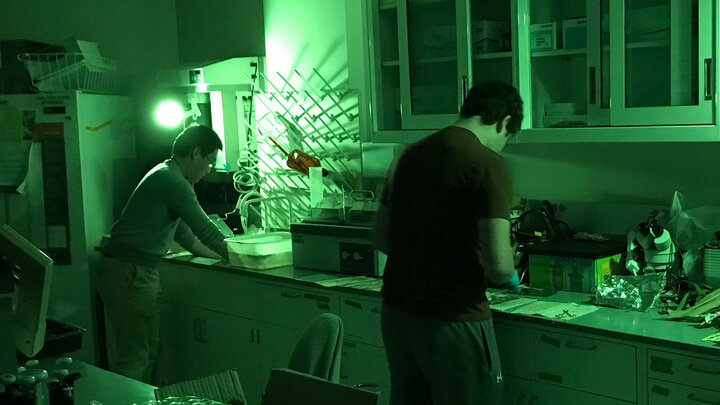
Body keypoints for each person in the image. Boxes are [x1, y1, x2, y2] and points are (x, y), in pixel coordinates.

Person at [374, 80, 523, 405]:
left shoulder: (408, 155)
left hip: (398, 314)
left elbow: (382, 239)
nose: (501, 146)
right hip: (454, 318)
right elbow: (499, 267)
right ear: (504, 122)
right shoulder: (488, 164)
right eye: (506, 139)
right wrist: (509, 275)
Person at [96, 124, 230, 383]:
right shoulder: (173, 181)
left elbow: (186, 237)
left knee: (145, 352)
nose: (209, 170)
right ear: (195, 153)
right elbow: (207, 231)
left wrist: (223, 257)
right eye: (210, 161)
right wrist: (239, 256)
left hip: (128, 271)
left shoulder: (167, 174)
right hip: (131, 273)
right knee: (136, 356)